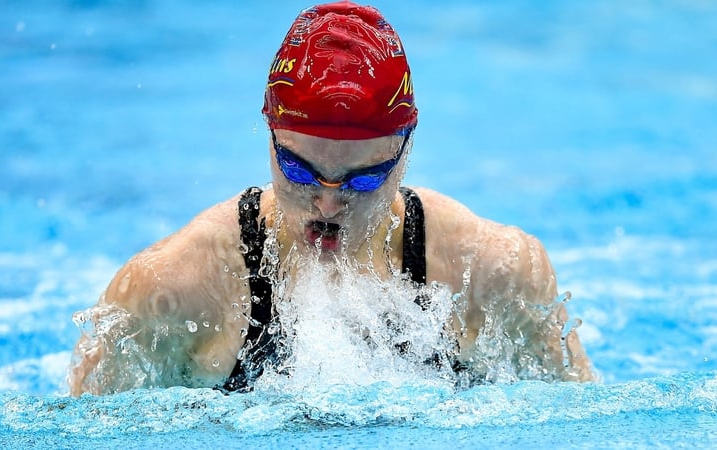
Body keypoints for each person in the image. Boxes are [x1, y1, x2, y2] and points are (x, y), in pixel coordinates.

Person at [69, 1, 595, 396]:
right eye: (299, 170)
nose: (327, 204)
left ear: (405, 151)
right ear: (270, 137)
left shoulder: (494, 274)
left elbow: (582, 426)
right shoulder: (173, 292)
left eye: (362, 180)